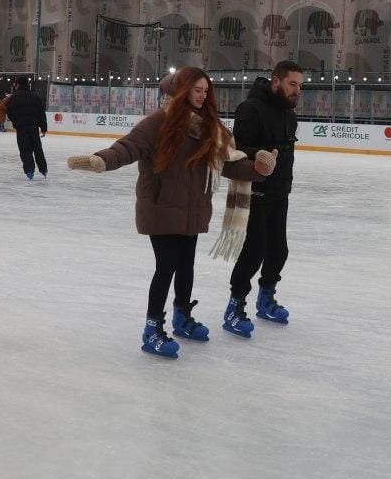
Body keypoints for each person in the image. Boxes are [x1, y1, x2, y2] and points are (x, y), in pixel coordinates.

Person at [66, 67, 276, 359]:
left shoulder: (209, 127)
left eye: (205, 91)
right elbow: (128, 147)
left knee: (186, 264)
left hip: (193, 208)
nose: (202, 96)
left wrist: (256, 169)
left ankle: (182, 318)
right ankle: (152, 330)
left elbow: (226, 163)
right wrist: (101, 160)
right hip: (161, 207)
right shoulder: (159, 122)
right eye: (196, 90)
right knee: (167, 266)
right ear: (182, 91)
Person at [220, 59, 302, 338]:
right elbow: (238, 150)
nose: (297, 90)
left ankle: (265, 299)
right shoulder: (250, 109)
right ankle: (235, 305)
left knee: (279, 251)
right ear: (276, 81)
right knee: (254, 251)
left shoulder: (290, 116)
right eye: (292, 84)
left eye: (300, 86)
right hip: (256, 191)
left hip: (280, 193)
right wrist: (261, 156)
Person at [6, 77, 48, 180]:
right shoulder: (36, 97)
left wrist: (16, 122)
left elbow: (9, 113)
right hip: (34, 127)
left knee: (25, 150)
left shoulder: (13, 98)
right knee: (37, 148)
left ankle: (29, 171)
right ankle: (43, 169)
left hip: (21, 128)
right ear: (28, 84)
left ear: (17, 84)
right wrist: (43, 128)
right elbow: (42, 113)